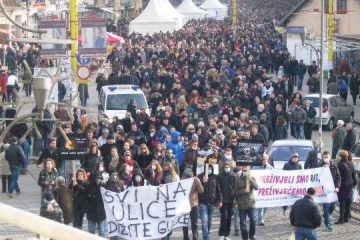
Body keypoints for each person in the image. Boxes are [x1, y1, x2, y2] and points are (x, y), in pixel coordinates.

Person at [234, 165, 259, 240]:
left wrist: (250, 179)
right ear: (241, 171)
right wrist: (244, 191)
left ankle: (252, 235)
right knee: (242, 223)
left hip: (251, 204)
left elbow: (257, 187)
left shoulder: (252, 178)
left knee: (253, 220)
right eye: (244, 171)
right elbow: (235, 193)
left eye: (246, 171)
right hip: (241, 205)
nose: (245, 172)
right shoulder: (237, 180)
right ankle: (245, 237)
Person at [182, 168, 204, 240]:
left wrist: (198, 182)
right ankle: (186, 238)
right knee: (185, 223)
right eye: (186, 176)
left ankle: (195, 238)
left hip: (194, 205)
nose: (188, 178)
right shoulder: (181, 181)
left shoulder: (195, 180)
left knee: (194, 223)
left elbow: (201, 191)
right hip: (184, 205)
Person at [216, 162, 237, 240]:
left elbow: (236, 188)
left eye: (228, 167)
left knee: (229, 218)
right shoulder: (219, 176)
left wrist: (235, 199)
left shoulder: (233, 175)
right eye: (225, 167)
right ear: (223, 168)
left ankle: (226, 235)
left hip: (231, 201)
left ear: (230, 167)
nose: (226, 168)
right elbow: (218, 189)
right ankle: (221, 234)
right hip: (223, 201)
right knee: (224, 217)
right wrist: (220, 200)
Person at [335, 150, 357, 224]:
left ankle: (341, 219)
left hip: (343, 186)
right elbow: (354, 176)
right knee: (348, 203)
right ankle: (346, 218)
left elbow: (338, 176)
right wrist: (354, 185)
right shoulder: (351, 163)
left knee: (342, 203)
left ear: (341, 156)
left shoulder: (340, 164)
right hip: (350, 186)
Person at [321, 151, 340, 231]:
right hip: (324, 191)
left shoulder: (334, 167)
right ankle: (328, 224)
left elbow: (338, 177)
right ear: (322, 158)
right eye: (324, 157)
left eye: (327, 157)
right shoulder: (319, 166)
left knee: (333, 206)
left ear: (330, 158)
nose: (326, 159)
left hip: (333, 191)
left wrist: (337, 187)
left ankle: (326, 215)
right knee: (326, 208)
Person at [252, 154, 274, 225]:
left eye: (266, 159)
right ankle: (260, 220)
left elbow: (274, 178)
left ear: (268, 160)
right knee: (256, 205)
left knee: (264, 206)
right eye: (264, 159)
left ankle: (261, 217)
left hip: (266, 191)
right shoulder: (256, 168)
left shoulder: (271, 168)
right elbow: (251, 175)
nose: (265, 161)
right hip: (257, 190)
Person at [198, 164, 218, 240]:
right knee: (204, 221)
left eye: (210, 168)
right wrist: (203, 182)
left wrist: (219, 200)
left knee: (209, 221)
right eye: (207, 169)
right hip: (203, 202)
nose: (209, 170)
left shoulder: (215, 177)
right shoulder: (200, 176)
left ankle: (207, 231)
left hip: (212, 202)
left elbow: (218, 189)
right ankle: (206, 237)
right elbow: (198, 189)